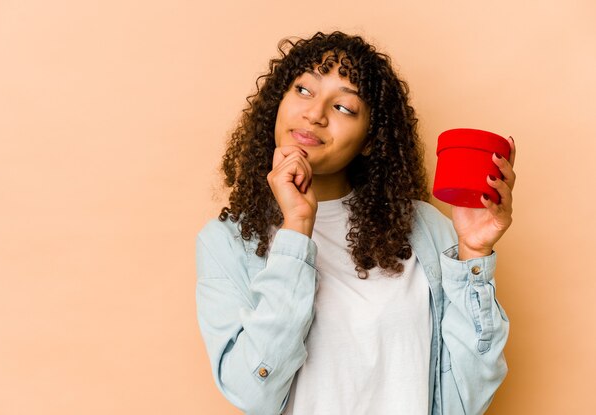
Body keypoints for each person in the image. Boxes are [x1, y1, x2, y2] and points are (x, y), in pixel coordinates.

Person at [195, 31, 514, 415]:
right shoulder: (227, 242)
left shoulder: (425, 230)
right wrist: (296, 227)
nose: (315, 114)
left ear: (369, 139)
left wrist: (474, 252)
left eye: (344, 107)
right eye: (303, 89)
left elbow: (468, 397)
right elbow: (253, 393)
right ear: (277, 102)